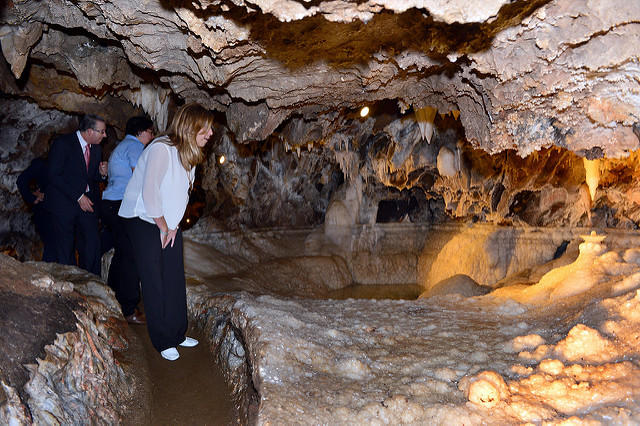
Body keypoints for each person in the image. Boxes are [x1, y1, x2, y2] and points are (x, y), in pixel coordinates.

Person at [119, 103, 214, 361]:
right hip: (142, 217)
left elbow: (181, 195)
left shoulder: (190, 154)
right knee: (154, 276)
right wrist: (162, 225)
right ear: (190, 127)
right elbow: (150, 191)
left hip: (166, 220)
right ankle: (162, 339)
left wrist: (173, 226)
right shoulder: (161, 148)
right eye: (205, 128)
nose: (210, 134)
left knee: (173, 273)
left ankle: (177, 332)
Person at [102, 116, 155, 325]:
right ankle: (129, 309)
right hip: (121, 205)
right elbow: (140, 180)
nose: (152, 136)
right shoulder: (135, 148)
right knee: (132, 255)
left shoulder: (122, 146)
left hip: (111, 204)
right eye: (150, 132)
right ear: (141, 132)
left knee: (122, 252)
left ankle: (113, 295)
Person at [45, 114, 108, 275]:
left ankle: (92, 282)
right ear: (89, 131)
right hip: (64, 203)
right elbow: (54, 175)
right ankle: (69, 284)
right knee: (66, 248)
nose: (105, 135)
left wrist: (101, 174)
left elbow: (90, 176)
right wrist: (78, 196)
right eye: (101, 132)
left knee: (92, 242)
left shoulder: (97, 148)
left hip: (87, 203)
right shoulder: (63, 144)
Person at [16, 157, 56, 262]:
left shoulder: (68, 162)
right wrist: (32, 197)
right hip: (44, 213)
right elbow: (21, 180)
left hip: (61, 212)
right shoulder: (41, 164)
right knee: (51, 246)